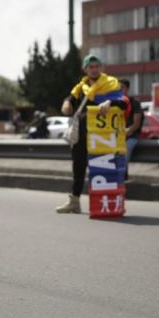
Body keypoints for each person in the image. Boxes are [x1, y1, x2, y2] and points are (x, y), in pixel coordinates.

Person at [56, 54, 126, 213]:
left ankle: (108, 203)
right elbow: (71, 98)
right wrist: (66, 102)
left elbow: (122, 102)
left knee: (104, 169)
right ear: (85, 69)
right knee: (78, 167)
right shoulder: (81, 87)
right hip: (81, 133)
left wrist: (110, 102)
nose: (94, 70)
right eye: (90, 67)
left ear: (101, 68)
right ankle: (74, 201)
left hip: (102, 137)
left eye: (96, 66)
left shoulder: (111, 84)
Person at [119, 79, 143, 177]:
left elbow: (136, 124)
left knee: (126, 150)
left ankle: (121, 177)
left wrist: (126, 132)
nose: (119, 91)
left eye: (122, 88)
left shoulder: (134, 103)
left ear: (127, 89)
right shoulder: (115, 103)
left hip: (131, 136)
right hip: (118, 136)